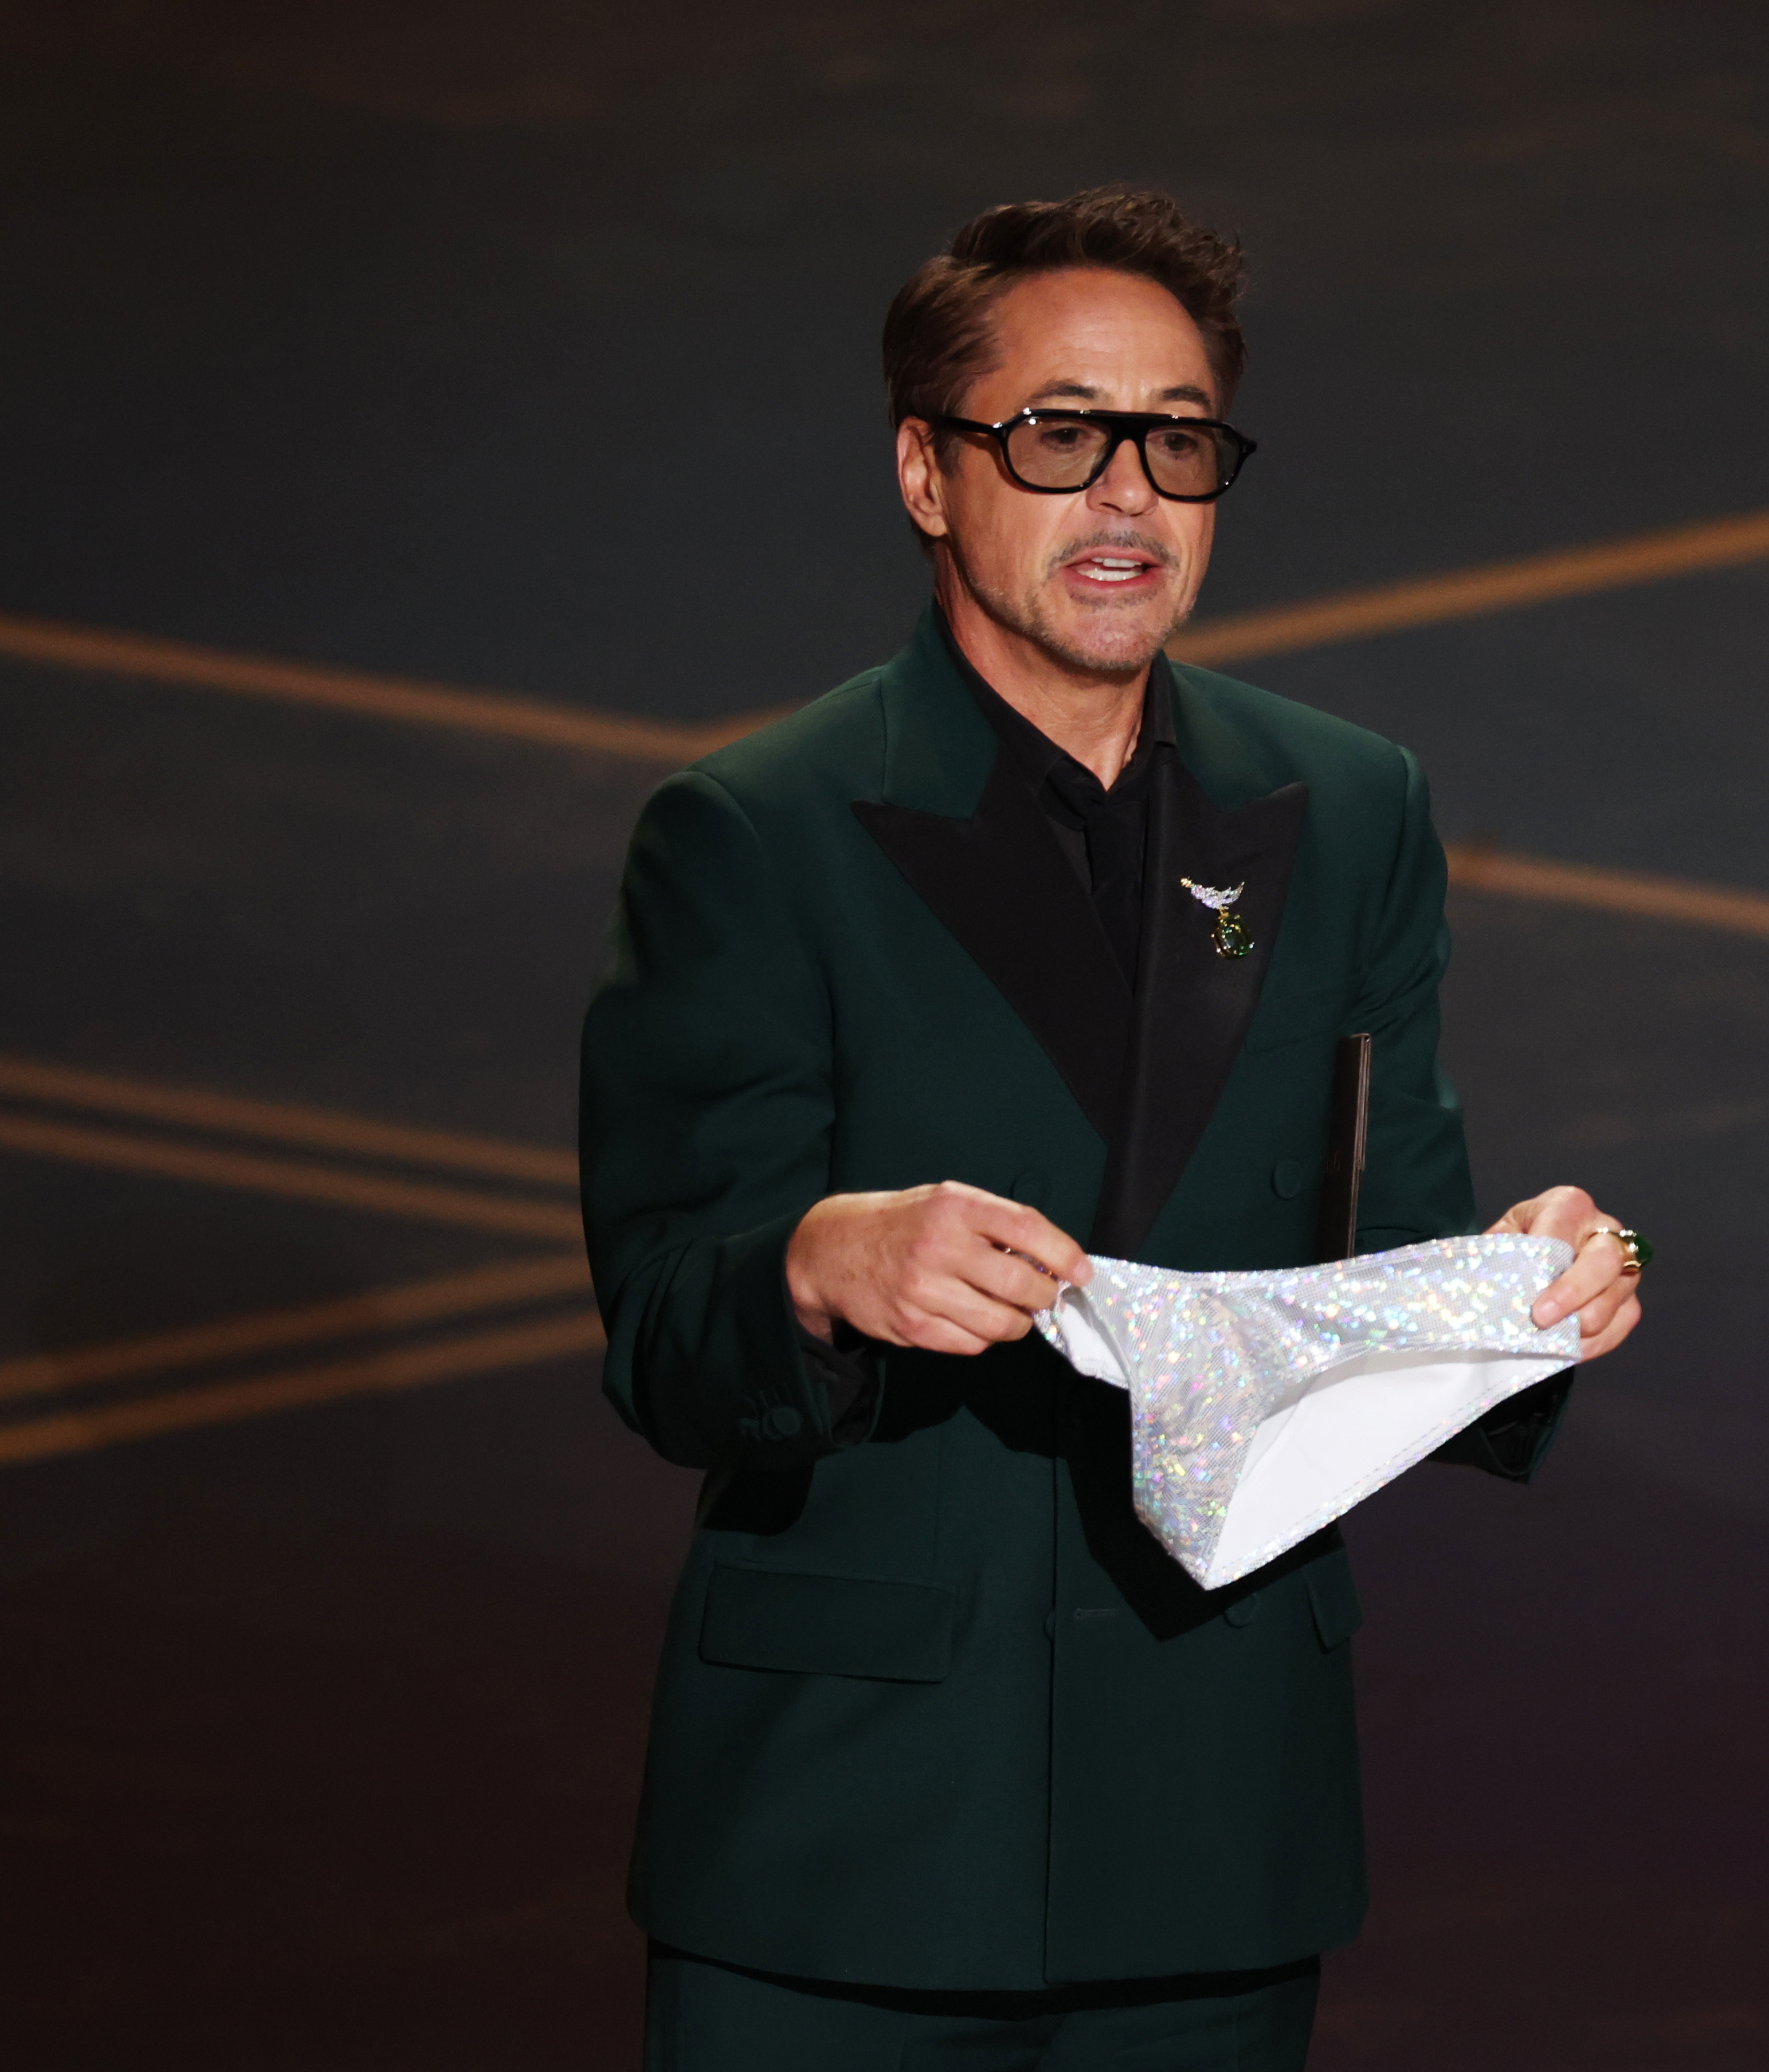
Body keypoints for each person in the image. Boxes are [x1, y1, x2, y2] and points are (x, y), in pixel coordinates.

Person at [581, 186, 1645, 2072]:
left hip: (1210, 1822)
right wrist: (817, 1268)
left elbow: (1382, 1251)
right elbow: (668, 1335)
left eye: (1177, 440)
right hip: (850, 1840)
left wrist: (1528, 1295)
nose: (1129, 497)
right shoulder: (756, 833)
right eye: (1061, 437)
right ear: (927, 472)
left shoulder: (1348, 809)